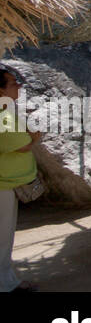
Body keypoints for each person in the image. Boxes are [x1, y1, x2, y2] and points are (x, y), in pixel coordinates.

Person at [1, 66, 39, 292]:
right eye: (13, 83)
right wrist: (34, 138)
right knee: (3, 238)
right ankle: (6, 285)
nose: (19, 86)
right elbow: (21, 145)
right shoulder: (3, 114)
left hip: (5, 182)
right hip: (3, 184)